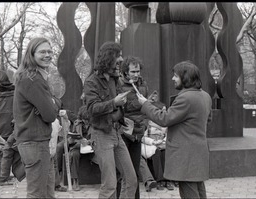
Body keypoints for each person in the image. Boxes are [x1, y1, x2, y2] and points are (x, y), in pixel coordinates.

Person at [136, 60, 212, 198]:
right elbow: (208, 119)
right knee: (199, 190)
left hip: (186, 155)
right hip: (199, 152)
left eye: (176, 76)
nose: (173, 79)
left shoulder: (185, 98)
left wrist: (146, 104)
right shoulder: (205, 96)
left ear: (185, 77)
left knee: (189, 193)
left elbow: (164, 119)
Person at [83, 41, 138, 198]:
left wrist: (125, 112)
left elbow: (120, 106)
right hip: (100, 134)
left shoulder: (115, 79)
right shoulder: (91, 81)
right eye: (118, 56)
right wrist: (114, 102)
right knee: (109, 186)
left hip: (116, 132)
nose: (121, 60)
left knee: (131, 180)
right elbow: (92, 109)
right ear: (109, 57)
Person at [13, 37, 61, 198]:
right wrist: (52, 104)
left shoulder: (33, 77)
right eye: (42, 52)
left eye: (49, 51)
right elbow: (50, 114)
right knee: (37, 194)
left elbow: (51, 106)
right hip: (35, 142)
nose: (47, 55)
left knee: (46, 193)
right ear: (31, 54)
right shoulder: (33, 79)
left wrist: (51, 103)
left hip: (34, 142)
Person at [118, 56, 149, 198]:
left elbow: (146, 109)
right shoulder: (118, 85)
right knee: (123, 173)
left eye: (138, 71)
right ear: (125, 72)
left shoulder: (143, 85)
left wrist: (145, 123)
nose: (136, 74)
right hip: (124, 134)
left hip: (138, 133)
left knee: (135, 172)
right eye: (133, 72)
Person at [0, 70, 17, 186]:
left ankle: (1, 176)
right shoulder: (15, 91)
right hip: (11, 125)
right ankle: (3, 175)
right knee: (8, 151)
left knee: (0, 153)